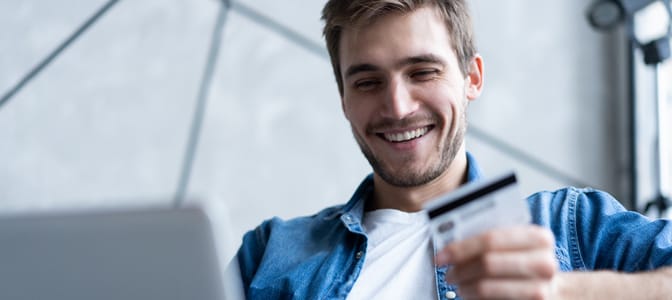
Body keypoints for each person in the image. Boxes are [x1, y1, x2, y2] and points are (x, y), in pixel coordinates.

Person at [236, 0, 672, 299]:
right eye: (368, 82)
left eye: (422, 72)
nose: (397, 107)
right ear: (343, 98)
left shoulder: (574, 228)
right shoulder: (270, 251)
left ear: (472, 78)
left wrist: (563, 291)